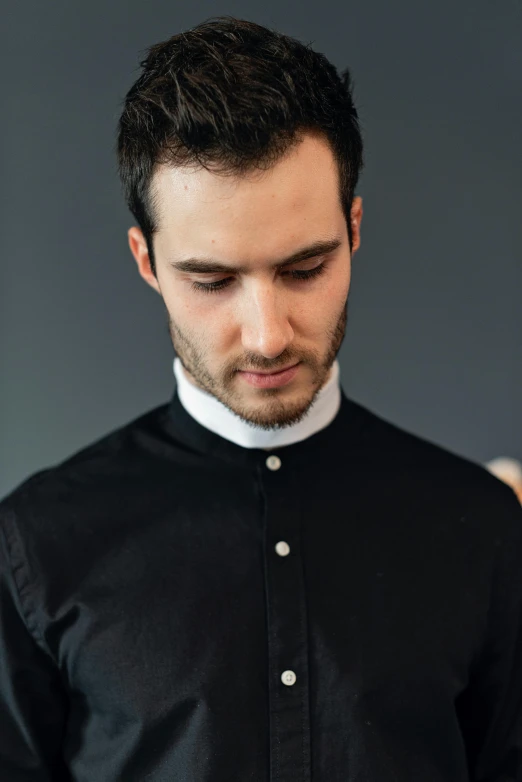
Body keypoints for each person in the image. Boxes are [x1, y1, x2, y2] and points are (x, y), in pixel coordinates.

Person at [1, 15, 521, 782]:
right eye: (212, 281)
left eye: (306, 268)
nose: (268, 335)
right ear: (146, 260)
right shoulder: (35, 548)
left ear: (354, 228)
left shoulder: (482, 526)